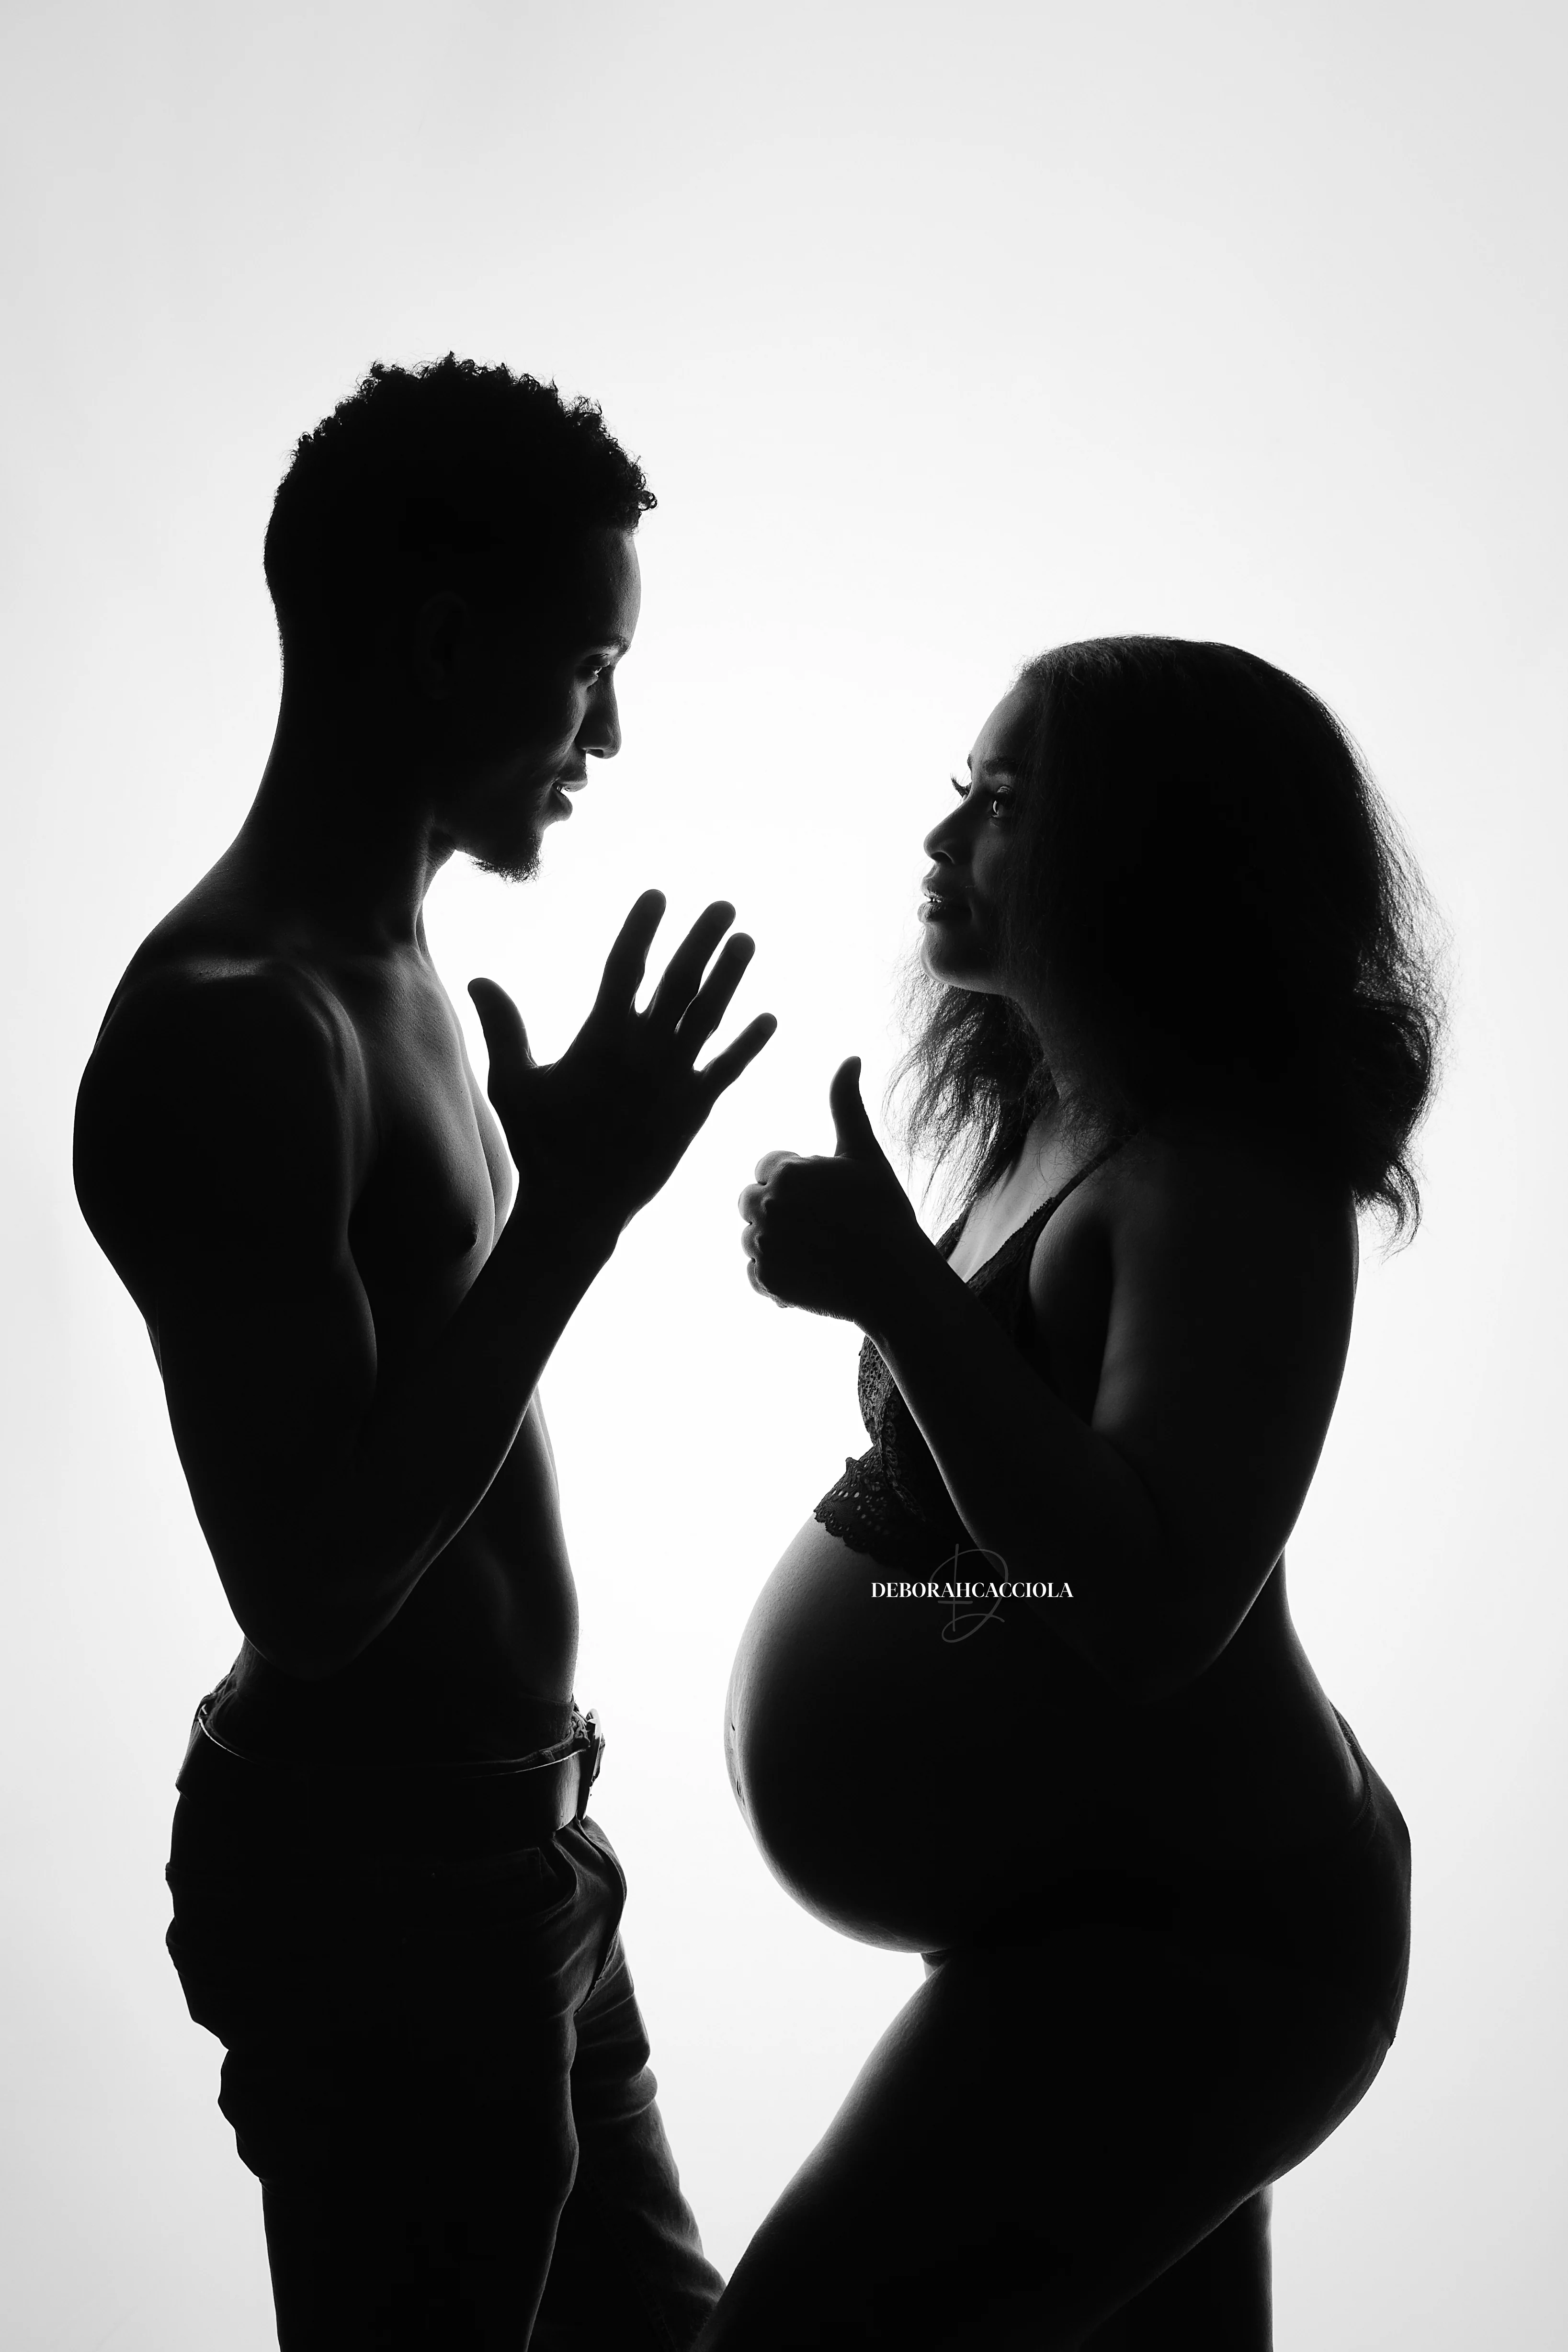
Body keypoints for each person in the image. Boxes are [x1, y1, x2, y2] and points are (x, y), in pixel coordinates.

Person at [73, 355, 775, 2351]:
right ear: (448, 646)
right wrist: (570, 1222)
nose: (610, 732)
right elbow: (308, 1589)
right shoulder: (238, 1031)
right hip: (385, 1902)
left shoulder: (406, 981)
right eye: (585, 669)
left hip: (520, 1857)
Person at [722, 636, 1444, 2349]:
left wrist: (899, 1292)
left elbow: (1149, 1610)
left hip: (1200, 1945)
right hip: (1080, 1928)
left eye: (1003, 804)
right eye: (960, 795)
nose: (946, 836)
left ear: (1140, 854)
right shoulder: (1071, 1118)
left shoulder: (1231, 1174)